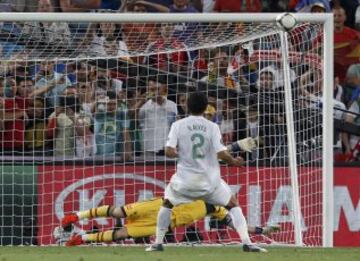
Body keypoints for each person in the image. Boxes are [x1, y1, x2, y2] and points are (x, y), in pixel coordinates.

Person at [146, 92, 267, 252]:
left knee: (167, 204)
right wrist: (234, 161)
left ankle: (158, 243)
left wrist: (180, 154)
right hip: (209, 183)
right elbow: (222, 154)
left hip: (184, 182)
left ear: (187, 106)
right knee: (233, 204)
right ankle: (247, 243)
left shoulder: (178, 125)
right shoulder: (212, 127)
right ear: (205, 108)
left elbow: (168, 151)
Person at [59, 198, 279, 246]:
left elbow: (239, 226)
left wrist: (263, 230)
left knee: (123, 234)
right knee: (119, 212)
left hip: (163, 223)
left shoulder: (219, 210)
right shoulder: (197, 190)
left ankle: (82, 238)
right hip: (159, 206)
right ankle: (77, 216)